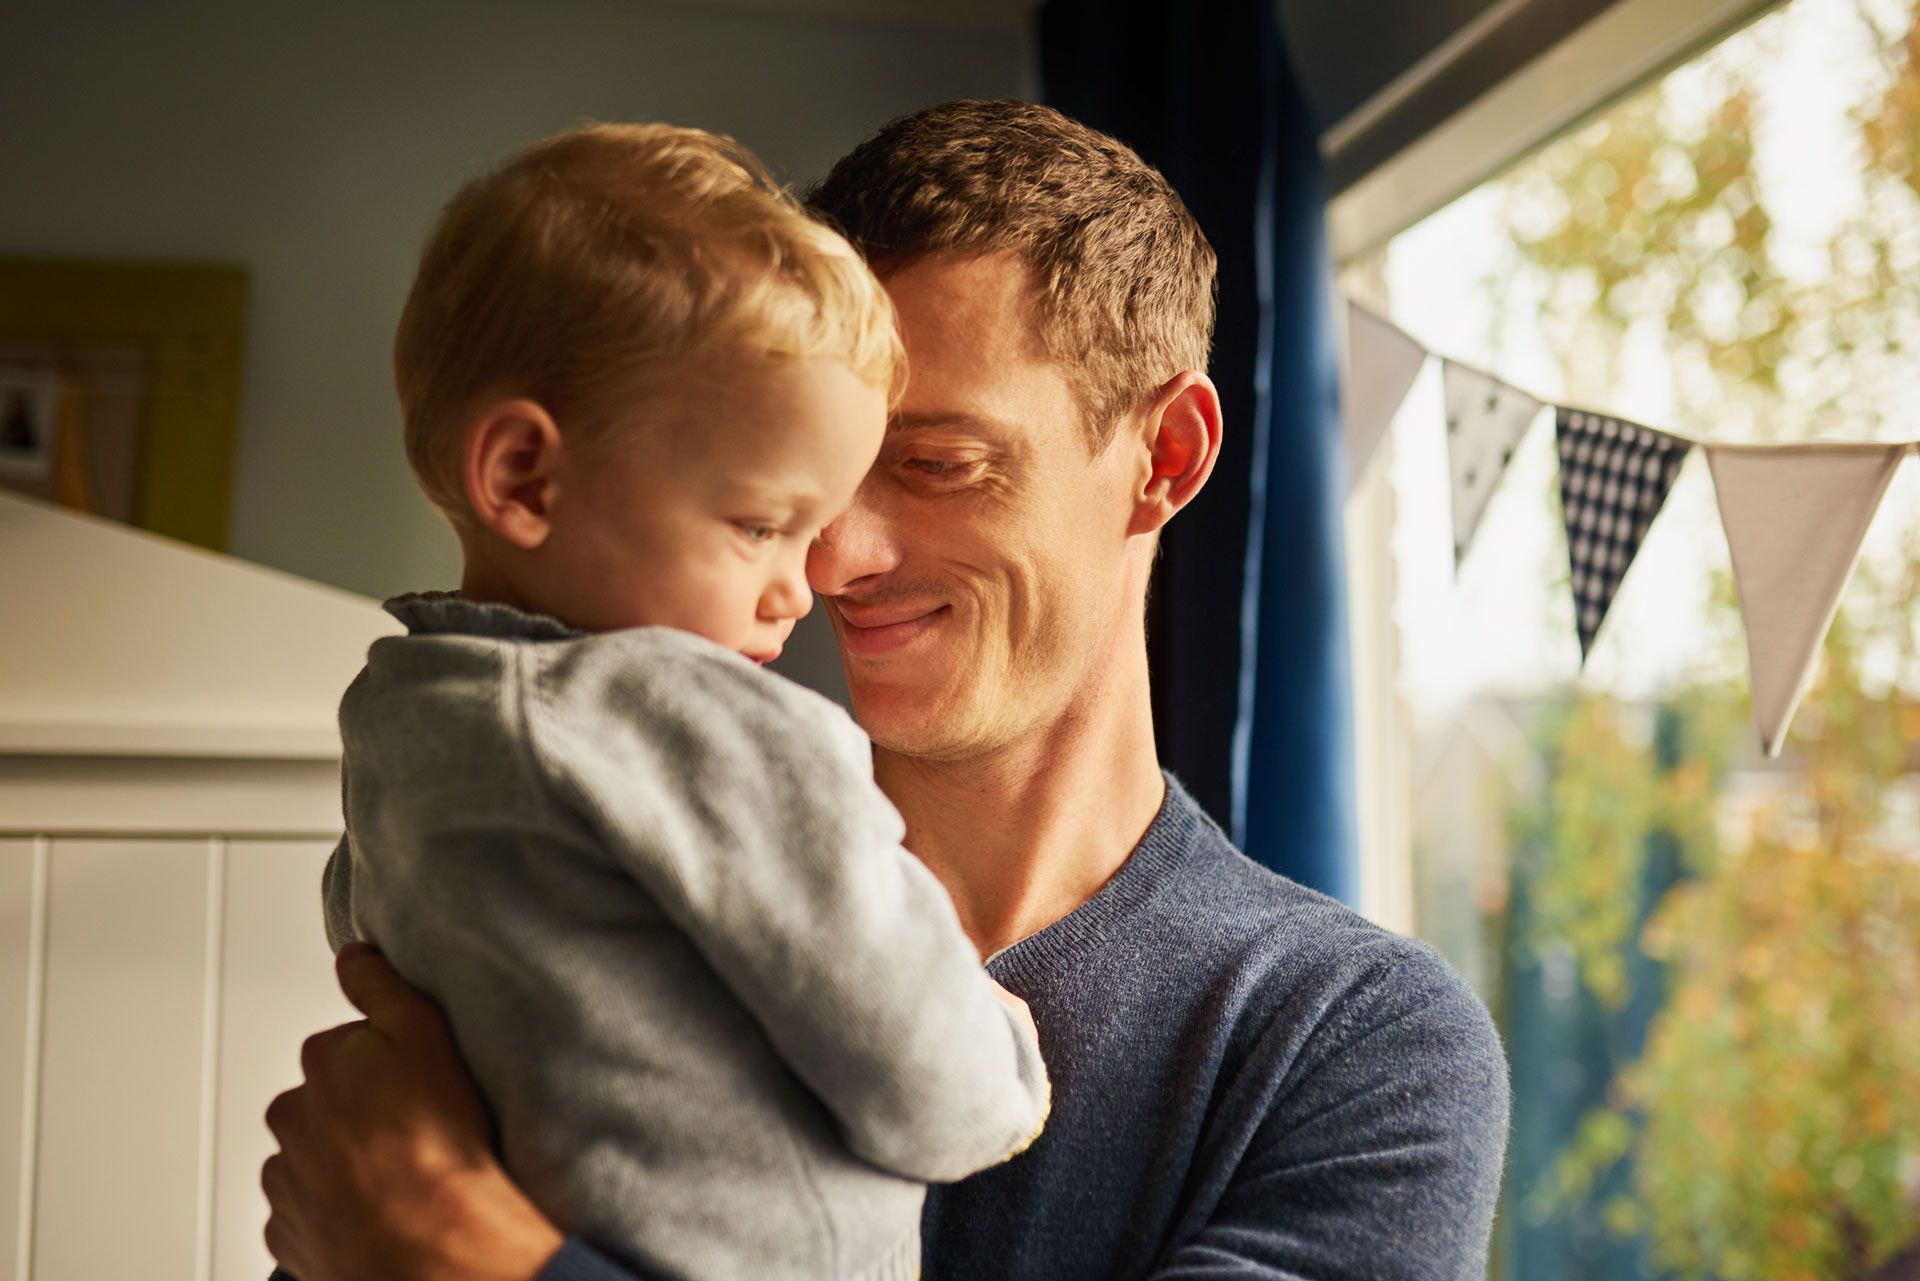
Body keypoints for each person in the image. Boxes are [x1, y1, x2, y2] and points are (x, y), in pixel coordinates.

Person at [264, 100, 1510, 1281]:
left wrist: (477, 1257)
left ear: (1164, 458)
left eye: (937, 463)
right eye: (797, 488)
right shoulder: (558, 860)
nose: (829, 560)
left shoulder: (1354, 1047)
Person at [289, 122, 1052, 1281]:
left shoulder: (403, 710)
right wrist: (1009, 1053)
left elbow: (367, 947)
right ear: (524, 477)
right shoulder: (697, 725)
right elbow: (931, 1091)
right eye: (759, 525)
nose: (803, 586)